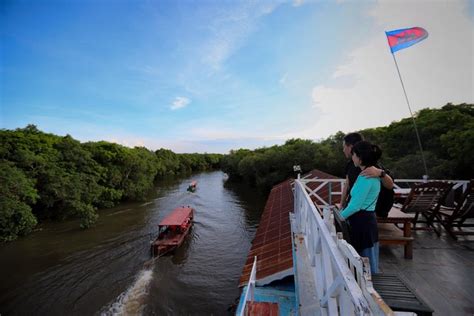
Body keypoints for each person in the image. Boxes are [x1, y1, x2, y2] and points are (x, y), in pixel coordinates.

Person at [340, 141, 382, 274]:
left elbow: (355, 206)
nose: (352, 158)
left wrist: (338, 217)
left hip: (362, 224)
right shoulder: (369, 175)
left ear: (360, 157)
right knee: (368, 264)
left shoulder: (366, 177)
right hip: (367, 222)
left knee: (365, 267)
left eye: (354, 155)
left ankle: (369, 294)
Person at [341, 132, 394, 208]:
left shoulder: (371, 164)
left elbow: (390, 185)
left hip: (373, 210)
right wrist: (342, 205)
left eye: (344, 147)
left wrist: (380, 173)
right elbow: (347, 185)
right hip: (356, 207)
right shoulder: (350, 165)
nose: (343, 150)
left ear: (351, 147)